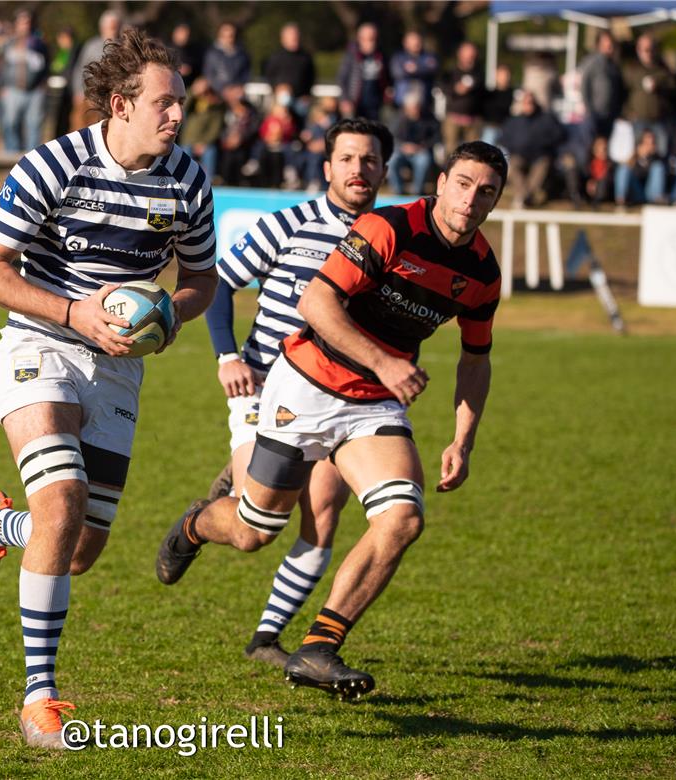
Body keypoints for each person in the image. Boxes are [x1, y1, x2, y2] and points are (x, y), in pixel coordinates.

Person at [156, 141, 507, 699]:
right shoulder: (388, 228)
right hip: (306, 384)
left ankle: (319, 647)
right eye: (463, 184)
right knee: (254, 532)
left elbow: (476, 358)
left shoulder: (483, 271)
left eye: (485, 191)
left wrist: (463, 440)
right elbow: (316, 304)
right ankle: (197, 524)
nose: (471, 199)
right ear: (441, 182)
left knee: (402, 518)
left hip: (373, 403)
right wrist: (386, 361)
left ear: (496, 200)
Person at [0, 27, 217, 749]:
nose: (176, 116)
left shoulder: (187, 180)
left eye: (181, 104)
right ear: (119, 103)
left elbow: (201, 281)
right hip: (41, 343)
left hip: (119, 367)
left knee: (77, 549)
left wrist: (167, 317)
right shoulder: (55, 164)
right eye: (164, 103)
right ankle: (40, 698)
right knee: (63, 499)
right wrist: (75, 312)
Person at [198, 117, 392, 667]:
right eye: (348, 159)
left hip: (338, 399)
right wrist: (227, 355)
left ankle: (266, 639)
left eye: (370, 160)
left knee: (324, 514)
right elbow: (219, 284)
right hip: (264, 387)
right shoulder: (287, 225)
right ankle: (198, 521)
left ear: (383, 170)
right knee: (255, 530)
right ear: (328, 167)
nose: (359, 169)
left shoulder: (389, 238)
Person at [497, 90, 566, 208]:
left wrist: (545, 145)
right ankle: (525, 197)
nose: (529, 105)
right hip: (519, 155)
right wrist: (514, 148)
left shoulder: (546, 119)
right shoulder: (514, 121)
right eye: (526, 102)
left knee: (542, 166)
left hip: (540, 156)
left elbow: (559, 135)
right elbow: (504, 138)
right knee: (513, 166)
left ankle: (523, 198)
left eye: (531, 102)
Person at [0, 10, 50, 151]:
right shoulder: (8, 44)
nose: (25, 26)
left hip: (35, 91)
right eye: (22, 22)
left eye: (28, 22)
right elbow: (1, 66)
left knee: (34, 125)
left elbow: (47, 65)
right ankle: (11, 157)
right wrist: (1, 86)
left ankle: (32, 159)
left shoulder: (39, 44)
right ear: (16, 24)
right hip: (12, 90)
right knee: (10, 124)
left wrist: (43, 84)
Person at [621, 34, 675, 157]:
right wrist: (628, 114)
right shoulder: (631, 69)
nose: (649, 53)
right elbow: (623, 92)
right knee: (637, 155)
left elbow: (673, 88)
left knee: (661, 153)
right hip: (638, 120)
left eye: (651, 49)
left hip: (658, 120)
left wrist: (659, 85)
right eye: (645, 50)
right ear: (638, 50)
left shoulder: (662, 69)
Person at [69, 10, 122, 130]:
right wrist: (77, 91)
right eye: (111, 26)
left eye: (115, 26)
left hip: (111, 98)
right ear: (103, 27)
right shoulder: (91, 46)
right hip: (88, 96)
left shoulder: (122, 46)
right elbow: (80, 69)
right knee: (80, 128)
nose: (113, 29)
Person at [387, 93, 440, 196]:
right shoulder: (398, 118)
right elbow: (392, 136)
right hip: (401, 150)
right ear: (406, 108)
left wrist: (421, 147)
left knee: (424, 161)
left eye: (416, 107)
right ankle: (398, 191)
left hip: (421, 150)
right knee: (392, 160)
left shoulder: (429, 118)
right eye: (412, 108)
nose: (415, 110)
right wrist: (403, 146)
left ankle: (417, 191)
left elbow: (436, 138)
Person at [264, 23, 316, 122]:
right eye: (291, 36)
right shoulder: (275, 57)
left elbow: (311, 78)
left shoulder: (306, 57)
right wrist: (277, 88)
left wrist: (307, 95)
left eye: (296, 36)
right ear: (283, 38)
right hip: (282, 99)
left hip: (301, 99)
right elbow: (269, 76)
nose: (294, 38)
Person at [336, 22, 387, 121]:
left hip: (375, 104)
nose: (372, 42)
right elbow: (341, 78)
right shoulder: (351, 55)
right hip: (355, 102)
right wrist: (345, 99)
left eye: (374, 38)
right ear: (360, 38)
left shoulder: (381, 55)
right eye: (369, 38)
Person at [441, 41, 485, 153]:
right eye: (467, 53)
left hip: (473, 120)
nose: (470, 56)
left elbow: (483, 93)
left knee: (473, 153)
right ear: (460, 54)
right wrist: (456, 90)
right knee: (451, 152)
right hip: (453, 118)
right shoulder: (451, 72)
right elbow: (443, 87)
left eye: (472, 54)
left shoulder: (479, 72)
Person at [579, 30, 624, 141]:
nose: (610, 46)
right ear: (599, 44)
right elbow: (584, 86)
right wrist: (590, 110)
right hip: (595, 114)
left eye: (611, 43)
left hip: (610, 115)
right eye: (606, 42)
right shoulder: (592, 62)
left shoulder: (614, 65)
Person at [614, 128, 667, 208]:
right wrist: (638, 156)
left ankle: (657, 199)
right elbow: (628, 173)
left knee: (658, 167)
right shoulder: (634, 157)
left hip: (650, 194)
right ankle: (620, 199)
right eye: (646, 143)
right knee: (623, 168)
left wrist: (653, 157)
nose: (649, 146)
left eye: (651, 143)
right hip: (635, 191)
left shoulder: (656, 159)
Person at [389, 31, 439, 111]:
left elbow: (432, 69)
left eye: (418, 41)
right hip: (403, 102)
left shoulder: (429, 56)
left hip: (424, 101)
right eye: (413, 41)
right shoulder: (398, 57)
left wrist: (416, 69)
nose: (416, 44)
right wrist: (420, 69)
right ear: (405, 43)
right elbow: (397, 73)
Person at [203, 23, 252, 95]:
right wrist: (223, 90)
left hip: (236, 93)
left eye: (231, 36)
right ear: (219, 36)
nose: (228, 39)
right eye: (225, 36)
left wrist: (238, 88)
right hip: (215, 93)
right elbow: (209, 75)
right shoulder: (212, 54)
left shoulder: (242, 55)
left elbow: (246, 76)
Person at [166, 22, 203, 87]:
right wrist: (177, 69)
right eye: (182, 33)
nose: (185, 37)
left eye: (187, 34)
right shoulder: (166, 51)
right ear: (175, 33)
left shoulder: (193, 51)